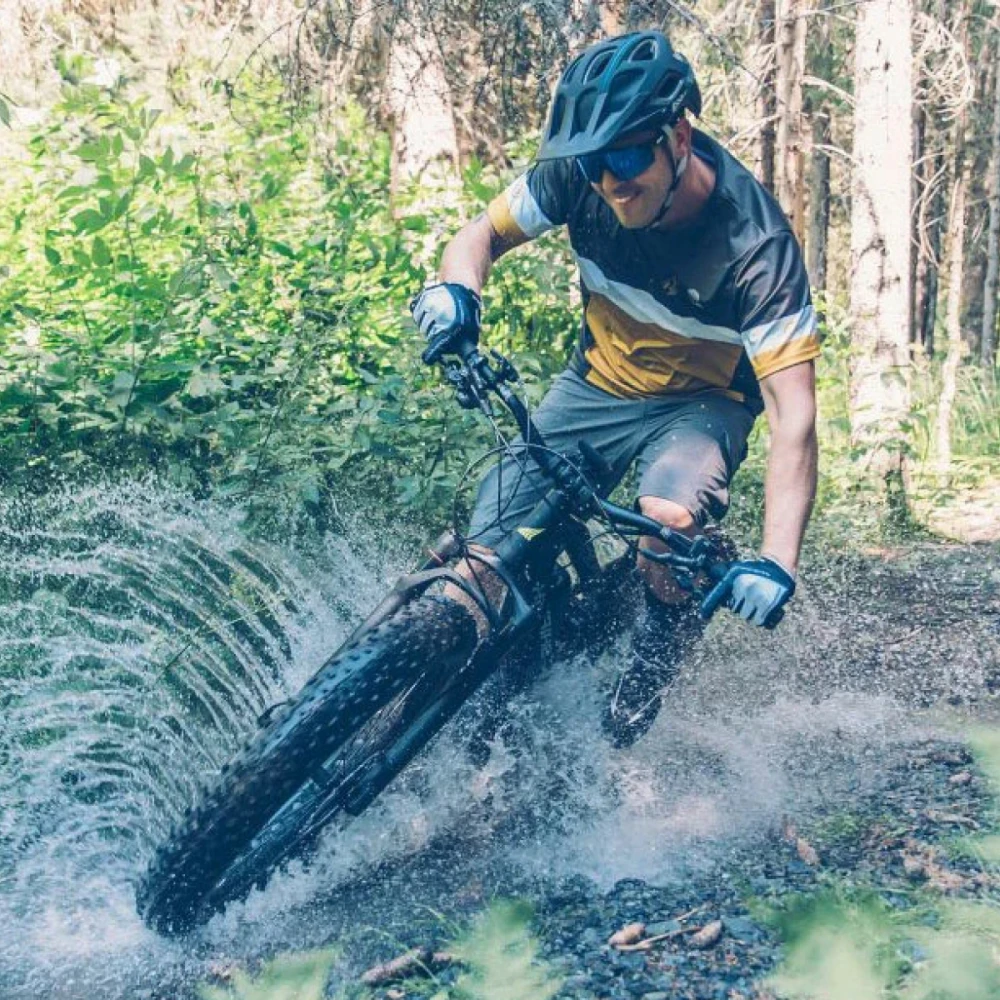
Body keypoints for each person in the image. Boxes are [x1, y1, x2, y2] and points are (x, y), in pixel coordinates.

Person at [410, 30, 819, 748]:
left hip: (702, 403)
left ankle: (654, 657)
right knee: (480, 564)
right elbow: (478, 237)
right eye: (595, 163)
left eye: (627, 157)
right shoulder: (579, 176)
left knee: (666, 521)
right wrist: (456, 290)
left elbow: (795, 418)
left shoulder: (756, 248)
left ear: (679, 137)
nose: (610, 181)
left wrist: (778, 560)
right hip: (596, 384)